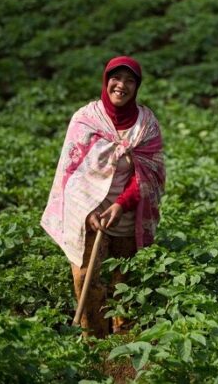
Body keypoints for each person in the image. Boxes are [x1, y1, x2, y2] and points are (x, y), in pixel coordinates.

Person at [41, 56, 165, 338]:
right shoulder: (85, 120)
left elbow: (149, 174)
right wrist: (89, 211)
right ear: (106, 80)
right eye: (116, 78)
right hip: (89, 215)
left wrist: (121, 205)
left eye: (130, 80)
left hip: (127, 214)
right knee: (87, 279)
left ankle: (124, 347)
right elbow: (71, 174)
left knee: (126, 281)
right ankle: (94, 344)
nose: (121, 85)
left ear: (137, 86)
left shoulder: (146, 125)